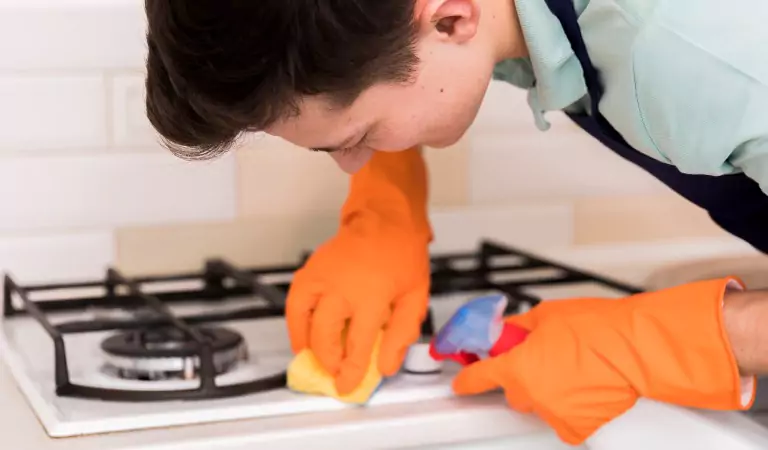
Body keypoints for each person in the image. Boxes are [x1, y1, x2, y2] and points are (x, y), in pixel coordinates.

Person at [142, 0, 768, 444]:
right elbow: (394, 50)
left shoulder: (697, 53)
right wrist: (385, 206)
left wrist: (653, 344)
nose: (349, 163)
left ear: (451, 16)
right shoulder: (473, 19)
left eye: (358, 136)